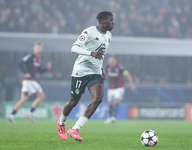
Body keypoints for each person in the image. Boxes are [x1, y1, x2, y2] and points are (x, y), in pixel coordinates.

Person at [57, 11, 114, 142]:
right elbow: (74, 48)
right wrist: (90, 53)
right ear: (103, 21)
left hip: (95, 72)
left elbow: (102, 53)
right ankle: (61, 123)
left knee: (98, 99)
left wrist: (101, 68)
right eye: (111, 20)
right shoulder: (89, 32)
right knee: (73, 101)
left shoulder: (109, 36)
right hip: (81, 71)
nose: (113, 23)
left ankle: (75, 129)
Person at [7, 42, 52, 123]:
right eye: (37, 47)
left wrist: (46, 68)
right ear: (34, 48)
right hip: (29, 81)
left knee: (24, 99)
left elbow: (40, 71)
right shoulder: (30, 57)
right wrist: (25, 72)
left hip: (29, 81)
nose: (39, 49)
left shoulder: (38, 59)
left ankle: (11, 114)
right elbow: (19, 63)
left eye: (40, 48)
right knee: (41, 96)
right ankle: (30, 113)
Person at [105, 56, 136, 124]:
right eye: (110, 60)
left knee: (116, 100)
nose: (111, 62)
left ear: (115, 61)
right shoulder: (107, 67)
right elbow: (104, 75)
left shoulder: (120, 68)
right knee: (110, 102)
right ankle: (110, 117)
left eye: (112, 60)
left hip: (119, 87)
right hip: (111, 88)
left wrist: (131, 84)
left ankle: (113, 117)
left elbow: (127, 75)